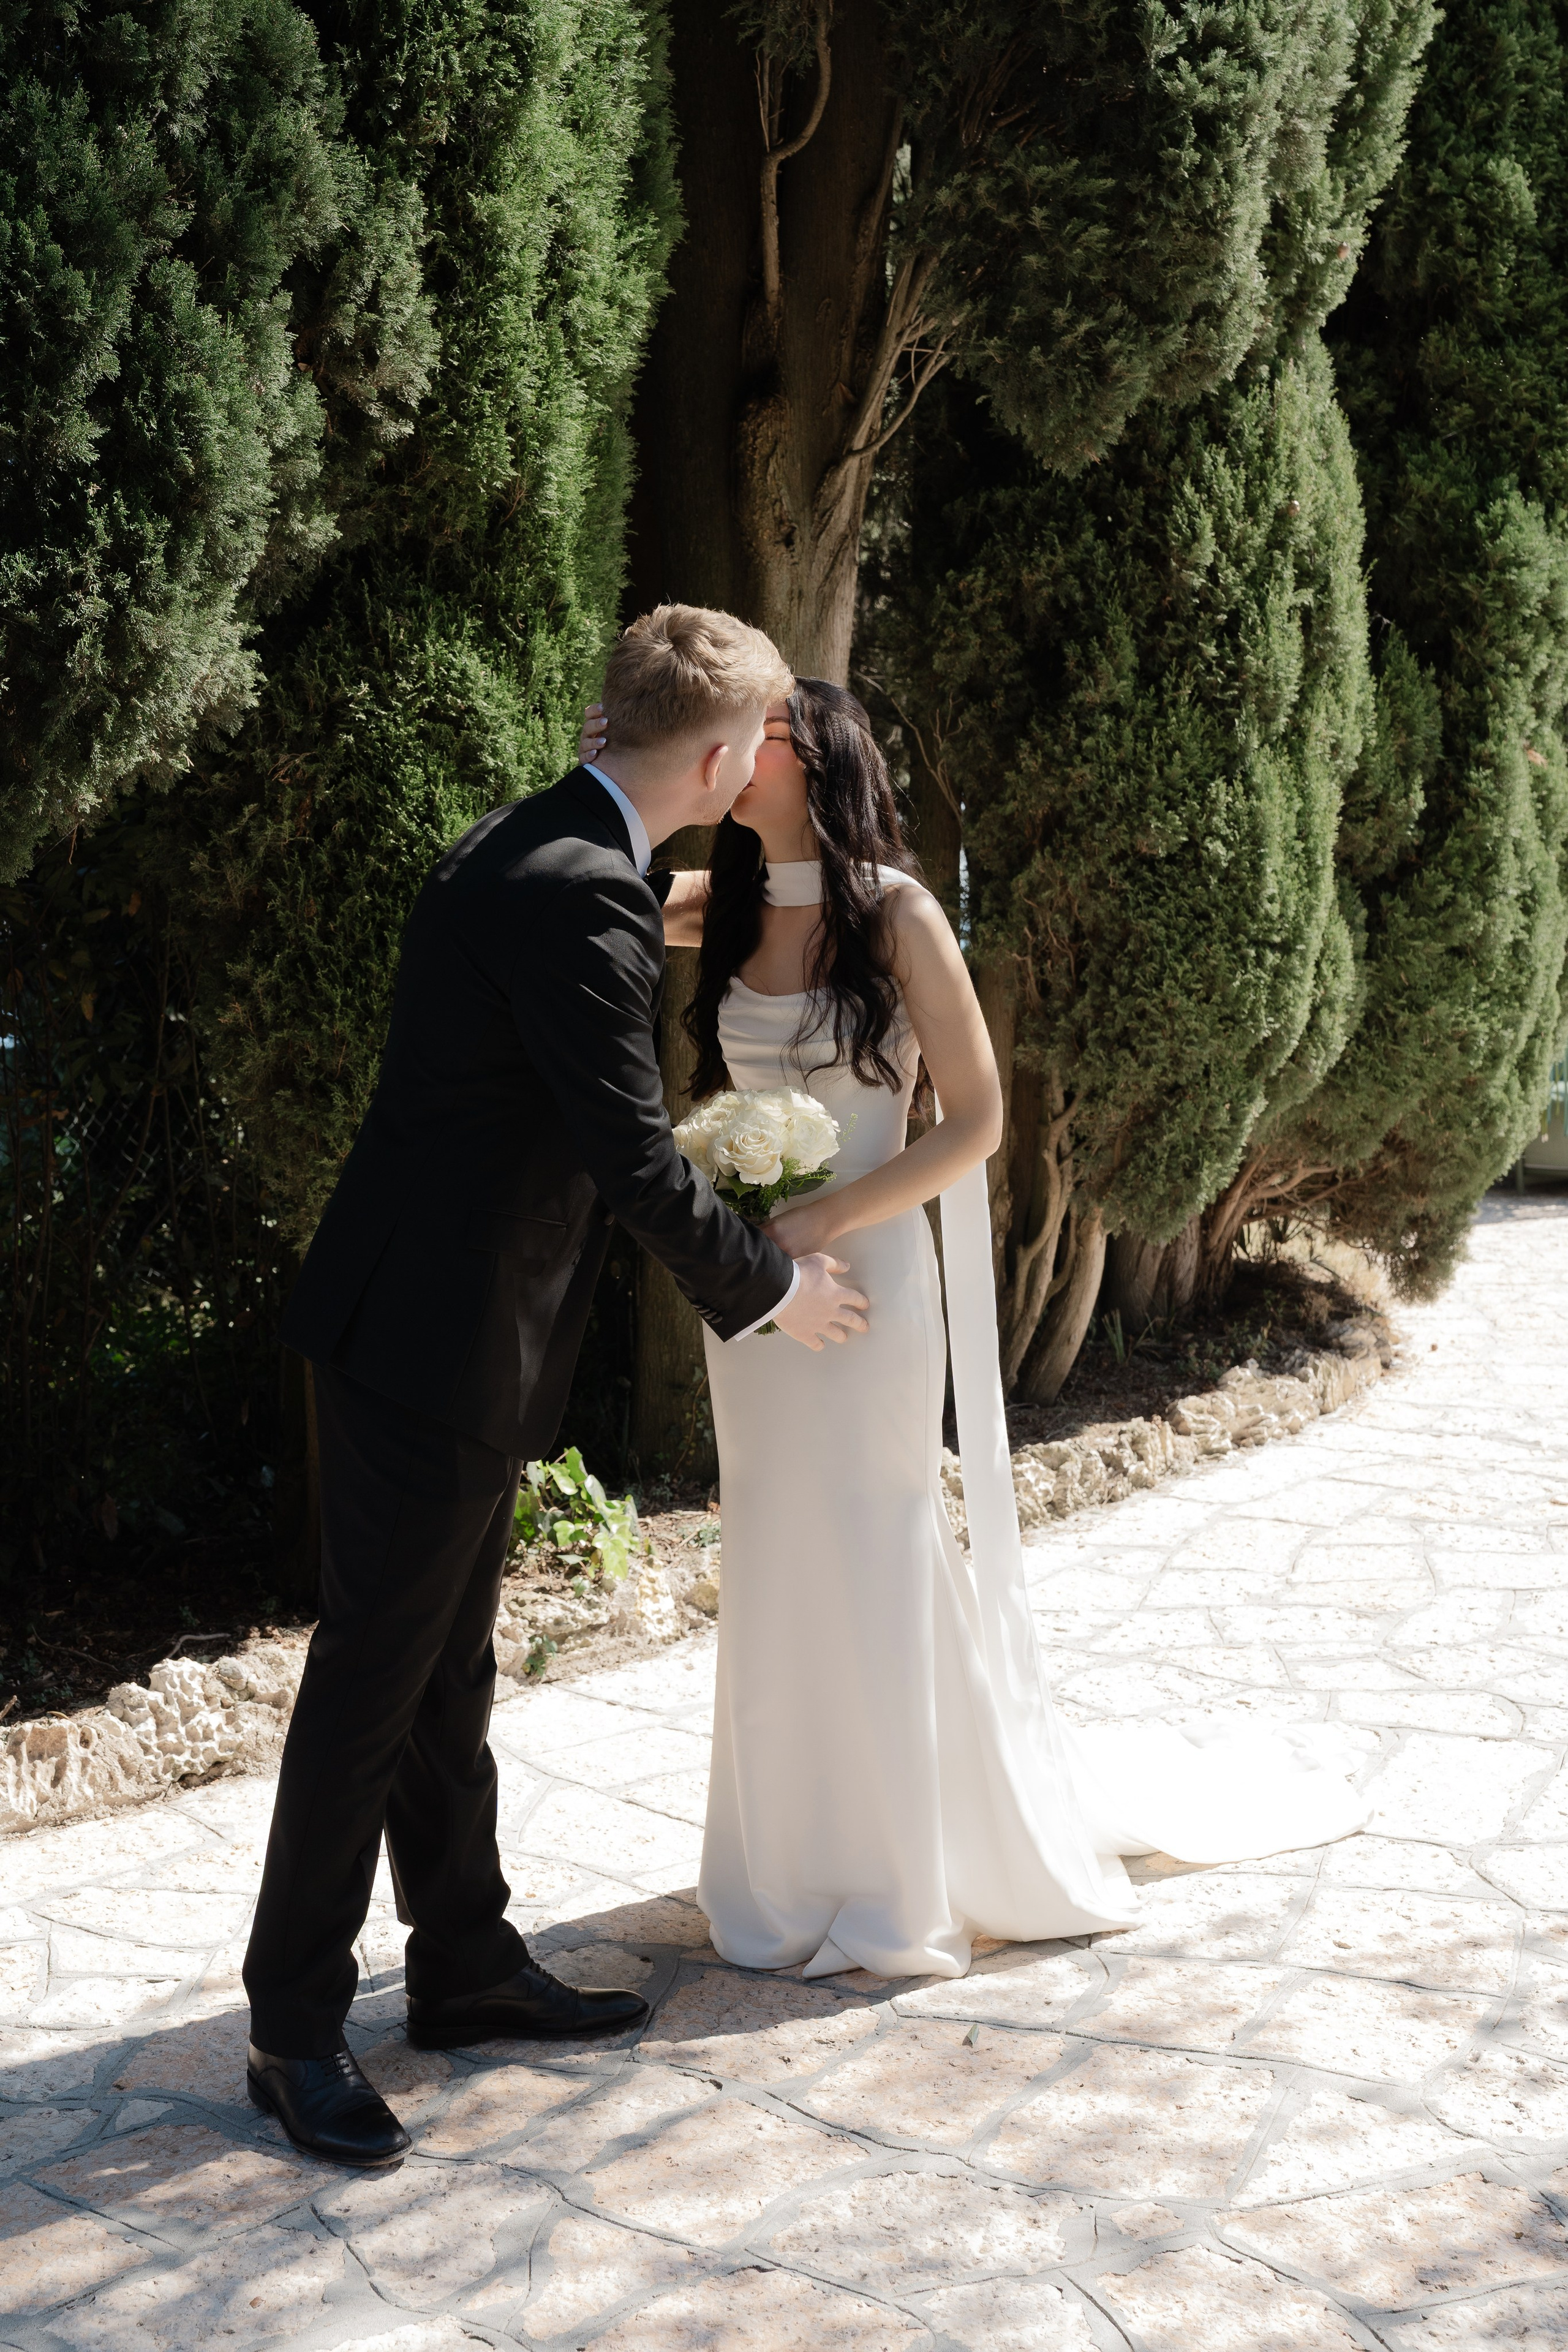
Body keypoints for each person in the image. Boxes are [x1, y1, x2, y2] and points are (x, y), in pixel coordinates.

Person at [576, 681, 1366, 1981]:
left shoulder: (896, 914)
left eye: (765, 734)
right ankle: (788, 1860)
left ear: (817, 758)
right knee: (774, 1543)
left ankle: (904, 1869)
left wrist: (822, 1213)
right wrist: (607, 762)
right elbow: (577, 892)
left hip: (867, 1276)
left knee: (877, 1537)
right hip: (755, 1291)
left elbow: (976, 1123)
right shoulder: (712, 906)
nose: (739, 751)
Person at [242, 608, 870, 2168]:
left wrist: (679, 907)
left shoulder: (545, 848)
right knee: (375, 1685)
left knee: (446, 1675)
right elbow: (635, 1162)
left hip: (425, 1327)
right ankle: (291, 2031)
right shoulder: (583, 893)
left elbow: (558, 972)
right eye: (762, 743)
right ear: (723, 761)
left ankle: (461, 1965)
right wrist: (775, 1288)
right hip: (431, 1344)